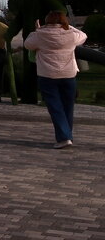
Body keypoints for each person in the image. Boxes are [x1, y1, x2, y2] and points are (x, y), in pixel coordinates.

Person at [24, 10, 87, 148]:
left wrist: (37, 29)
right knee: (68, 107)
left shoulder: (40, 35)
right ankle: (67, 135)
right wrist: (69, 26)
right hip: (68, 74)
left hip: (47, 75)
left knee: (55, 107)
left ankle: (64, 137)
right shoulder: (71, 35)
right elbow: (83, 35)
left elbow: (28, 44)